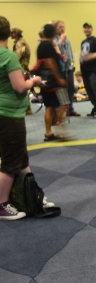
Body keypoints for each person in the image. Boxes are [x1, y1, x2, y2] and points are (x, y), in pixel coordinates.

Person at [0, 16, 47, 220]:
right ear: (9, 33)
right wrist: (34, 81)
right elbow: (19, 87)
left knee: (21, 158)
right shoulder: (8, 56)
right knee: (11, 162)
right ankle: (1, 204)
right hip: (10, 114)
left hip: (3, 113)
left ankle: (31, 192)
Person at [37, 24, 69, 141]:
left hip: (44, 81)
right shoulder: (48, 46)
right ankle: (60, 127)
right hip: (53, 82)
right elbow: (50, 63)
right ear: (54, 33)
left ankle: (48, 132)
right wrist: (59, 79)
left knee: (49, 107)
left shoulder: (40, 46)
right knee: (64, 102)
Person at [79, 22, 96, 118]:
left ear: (92, 29)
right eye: (85, 28)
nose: (87, 30)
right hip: (85, 70)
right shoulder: (83, 42)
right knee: (89, 91)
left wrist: (88, 57)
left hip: (94, 70)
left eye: (88, 28)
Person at [54, 20, 79, 116]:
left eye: (63, 27)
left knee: (70, 89)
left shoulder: (67, 40)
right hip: (60, 69)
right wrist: (61, 40)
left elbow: (70, 52)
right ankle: (60, 110)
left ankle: (70, 109)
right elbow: (56, 49)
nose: (62, 28)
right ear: (56, 29)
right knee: (61, 90)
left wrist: (72, 63)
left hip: (69, 68)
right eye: (60, 27)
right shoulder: (55, 40)